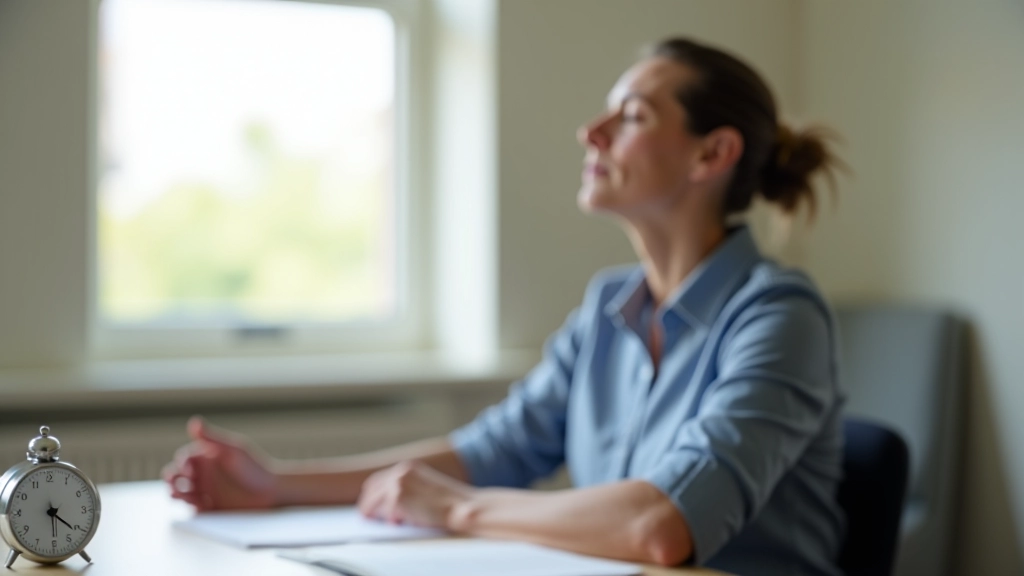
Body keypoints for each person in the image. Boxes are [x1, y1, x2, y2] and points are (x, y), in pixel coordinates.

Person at [163, 37, 845, 576]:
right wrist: (278, 485)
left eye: (632, 116)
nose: (592, 132)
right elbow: (490, 452)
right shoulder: (610, 306)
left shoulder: (780, 315)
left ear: (712, 155)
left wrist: (457, 509)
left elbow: (659, 527)